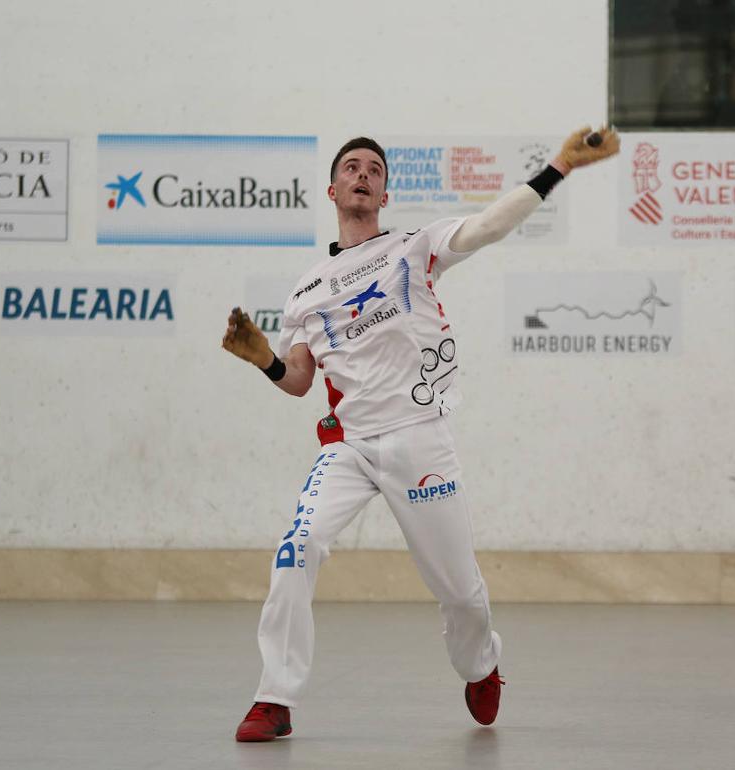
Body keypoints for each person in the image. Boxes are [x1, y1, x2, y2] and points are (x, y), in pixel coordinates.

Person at [222, 127, 620, 742]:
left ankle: (481, 665)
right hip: (348, 448)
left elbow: (489, 226)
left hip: (419, 440)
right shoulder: (306, 292)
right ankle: (274, 698)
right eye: (350, 167)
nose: (362, 174)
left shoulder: (415, 246)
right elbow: (299, 380)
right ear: (332, 189)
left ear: (383, 191)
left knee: (460, 593)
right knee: (295, 551)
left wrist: (561, 165)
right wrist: (264, 361)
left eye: (373, 169)